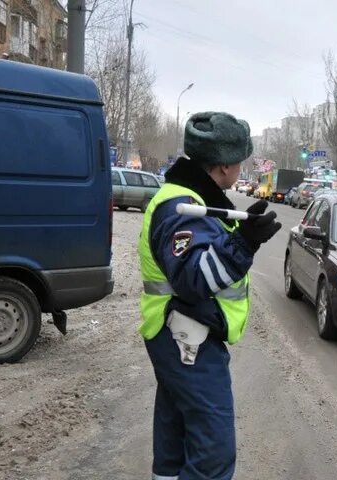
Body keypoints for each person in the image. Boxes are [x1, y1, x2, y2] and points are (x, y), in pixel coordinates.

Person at [137, 111, 282, 480]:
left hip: (178, 334)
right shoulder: (181, 207)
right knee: (212, 450)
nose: (240, 168)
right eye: (240, 161)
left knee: (175, 437)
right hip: (188, 338)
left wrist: (238, 231)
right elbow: (195, 278)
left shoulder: (188, 199)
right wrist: (244, 243)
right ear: (223, 165)